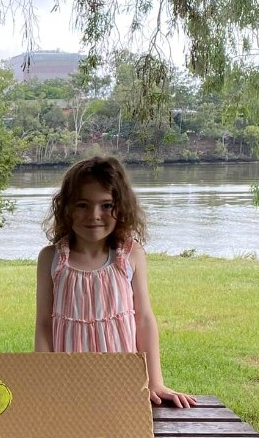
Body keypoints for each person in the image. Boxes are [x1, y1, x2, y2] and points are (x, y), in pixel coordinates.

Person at [34, 155, 195, 408]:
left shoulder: (130, 255)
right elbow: (43, 323)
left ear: (122, 207)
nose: (94, 215)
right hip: (67, 385)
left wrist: (155, 382)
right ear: (66, 207)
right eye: (82, 205)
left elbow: (144, 319)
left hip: (122, 385)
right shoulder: (51, 259)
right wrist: (43, 380)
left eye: (107, 205)